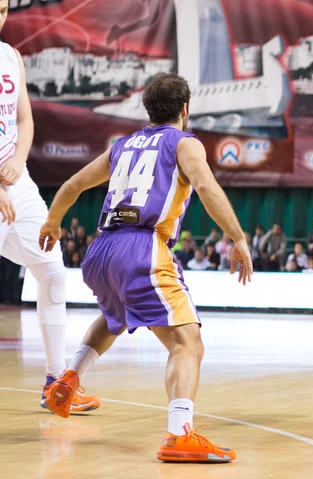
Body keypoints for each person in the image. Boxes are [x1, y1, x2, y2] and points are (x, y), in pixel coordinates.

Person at [38, 72, 253, 462]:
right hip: (142, 246)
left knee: (113, 316)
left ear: (148, 108)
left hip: (100, 250)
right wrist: (237, 237)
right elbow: (205, 187)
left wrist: (53, 222)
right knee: (188, 343)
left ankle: (67, 382)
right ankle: (179, 434)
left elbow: (70, 185)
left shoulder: (122, 146)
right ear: (185, 109)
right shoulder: (184, 143)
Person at [0, 0, 100, 412]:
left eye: (5, 7)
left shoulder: (11, 56)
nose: (0, 14)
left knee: (53, 272)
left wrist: (20, 160)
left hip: (15, 181)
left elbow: (24, 120)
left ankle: (56, 383)